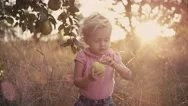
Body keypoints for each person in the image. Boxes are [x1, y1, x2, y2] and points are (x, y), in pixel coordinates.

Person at [73, 12, 132, 106]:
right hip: (86, 102)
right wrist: (89, 78)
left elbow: (128, 75)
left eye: (106, 40)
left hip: (106, 102)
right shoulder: (82, 56)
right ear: (87, 40)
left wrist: (114, 64)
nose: (102, 44)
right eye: (97, 40)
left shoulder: (112, 56)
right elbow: (76, 82)